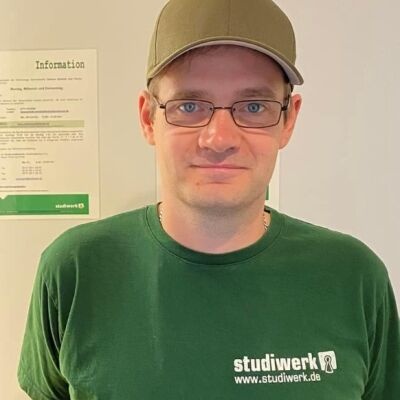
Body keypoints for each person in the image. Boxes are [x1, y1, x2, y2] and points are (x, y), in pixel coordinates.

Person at [18, 0, 400, 399]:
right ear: (148, 118)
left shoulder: (352, 277)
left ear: (289, 120)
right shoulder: (76, 270)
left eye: (254, 106)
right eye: (189, 106)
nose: (219, 138)